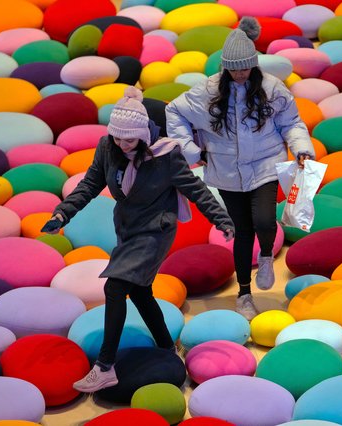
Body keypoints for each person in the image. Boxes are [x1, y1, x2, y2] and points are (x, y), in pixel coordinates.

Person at [41, 86, 235, 393]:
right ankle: (167, 347)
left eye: (129, 139)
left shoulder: (166, 156)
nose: (122, 144)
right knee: (142, 292)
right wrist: (62, 214)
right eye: (117, 137)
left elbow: (195, 190)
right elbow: (90, 183)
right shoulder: (108, 148)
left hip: (156, 231)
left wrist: (221, 218)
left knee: (115, 286)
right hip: (128, 229)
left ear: (144, 135)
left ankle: (105, 367)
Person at [165, 17, 315, 321]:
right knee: (241, 230)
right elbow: (174, 111)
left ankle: (267, 256)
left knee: (263, 220)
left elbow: (292, 123)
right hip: (226, 171)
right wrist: (193, 150)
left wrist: (301, 148)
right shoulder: (207, 91)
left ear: (254, 65)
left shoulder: (272, 88)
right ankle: (244, 294)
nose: (239, 74)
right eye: (233, 69)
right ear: (224, 67)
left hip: (266, 164)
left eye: (245, 68)